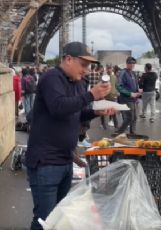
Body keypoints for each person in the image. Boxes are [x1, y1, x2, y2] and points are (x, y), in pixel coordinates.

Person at [24, 41, 115, 230]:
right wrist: (91, 95)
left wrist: (95, 113)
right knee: (45, 219)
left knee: (57, 218)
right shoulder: (51, 78)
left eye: (89, 65)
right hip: (46, 162)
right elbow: (58, 108)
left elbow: (75, 113)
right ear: (68, 59)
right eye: (83, 64)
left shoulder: (78, 83)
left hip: (65, 161)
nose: (86, 70)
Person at [115, 56, 141, 135]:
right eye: (130, 63)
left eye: (133, 63)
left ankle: (132, 133)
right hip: (126, 99)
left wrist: (138, 91)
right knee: (130, 117)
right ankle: (119, 132)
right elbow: (118, 86)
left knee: (134, 117)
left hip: (133, 99)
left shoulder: (133, 73)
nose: (132, 64)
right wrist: (130, 93)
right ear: (127, 64)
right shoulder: (123, 72)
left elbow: (135, 84)